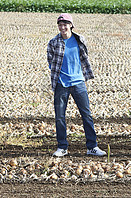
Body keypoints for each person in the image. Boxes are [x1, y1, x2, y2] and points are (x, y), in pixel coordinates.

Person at [47, 13, 106, 157]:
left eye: (65, 24)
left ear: (71, 25)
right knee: (60, 117)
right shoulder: (53, 42)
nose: (63, 27)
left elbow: (84, 57)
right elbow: (51, 62)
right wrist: (60, 76)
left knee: (86, 115)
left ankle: (92, 146)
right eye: (60, 25)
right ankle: (62, 147)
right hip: (62, 84)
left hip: (79, 82)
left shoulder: (80, 40)